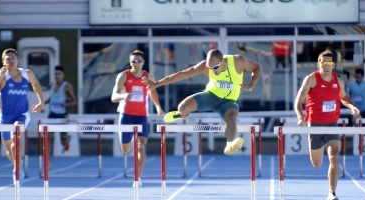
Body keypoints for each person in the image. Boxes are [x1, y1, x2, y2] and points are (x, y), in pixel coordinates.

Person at [142, 49, 262, 155]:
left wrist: (252, 84)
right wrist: (156, 84)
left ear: (223, 61)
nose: (212, 71)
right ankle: (182, 114)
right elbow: (181, 75)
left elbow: (257, 68)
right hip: (211, 96)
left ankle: (230, 143)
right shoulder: (205, 66)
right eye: (210, 68)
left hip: (228, 102)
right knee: (183, 107)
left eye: (215, 67)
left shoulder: (238, 61)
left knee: (232, 117)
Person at [294, 50, 359, 200]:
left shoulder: (339, 81)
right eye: (324, 63)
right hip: (314, 124)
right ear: (319, 64)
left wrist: (351, 107)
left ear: (333, 65)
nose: (327, 66)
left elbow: (344, 97)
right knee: (317, 163)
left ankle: (332, 192)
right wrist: (300, 117)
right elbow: (298, 100)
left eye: (329, 63)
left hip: (331, 124)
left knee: (334, 157)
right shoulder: (311, 79)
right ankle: (317, 149)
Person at [0, 48, 44, 185]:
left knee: (16, 132)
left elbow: (36, 84)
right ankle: (18, 163)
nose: (11, 60)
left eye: (13, 58)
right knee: (9, 152)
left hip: (22, 115)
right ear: (3, 62)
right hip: (5, 117)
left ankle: (16, 169)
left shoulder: (26, 74)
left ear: (17, 60)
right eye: (8, 59)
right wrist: (0, 77)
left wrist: (41, 102)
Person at [111, 49, 164, 187]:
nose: (136, 63)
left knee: (141, 146)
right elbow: (113, 97)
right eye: (134, 61)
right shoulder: (124, 76)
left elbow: (153, 92)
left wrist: (158, 106)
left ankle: (137, 177)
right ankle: (126, 150)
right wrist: (124, 96)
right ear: (130, 62)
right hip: (126, 116)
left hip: (141, 116)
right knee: (125, 150)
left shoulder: (149, 77)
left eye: (139, 61)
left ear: (143, 62)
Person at [44, 65, 77, 167]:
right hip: (52, 114)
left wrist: (65, 104)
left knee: (63, 142)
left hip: (63, 115)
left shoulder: (67, 86)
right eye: (55, 74)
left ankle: (66, 142)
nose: (57, 76)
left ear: (63, 75)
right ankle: (47, 162)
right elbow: (52, 98)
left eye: (59, 74)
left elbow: (74, 102)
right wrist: (43, 103)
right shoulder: (52, 85)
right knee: (48, 137)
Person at [346, 68, 365, 155]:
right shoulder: (351, 85)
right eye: (356, 77)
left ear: (362, 77)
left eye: (359, 77)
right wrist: (345, 86)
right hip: (357, 110)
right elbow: (346, 95)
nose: (357, 79)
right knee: (364, 128)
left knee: (356, 120)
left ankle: (362, 138)